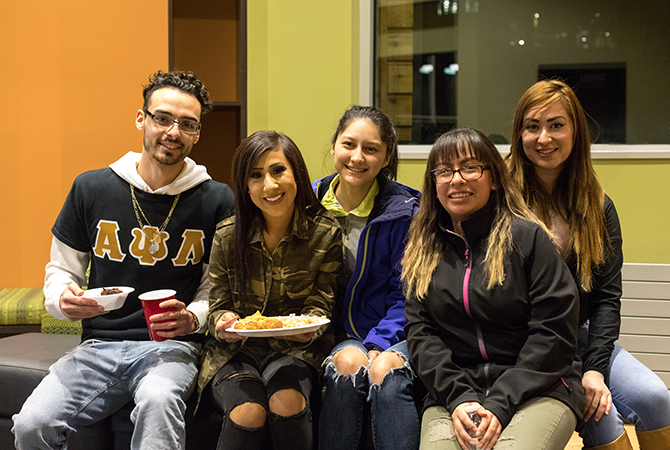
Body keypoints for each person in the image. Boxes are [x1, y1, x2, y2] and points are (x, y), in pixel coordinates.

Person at [11, 70, 234, 449]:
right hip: (98, 345)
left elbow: (217, 287)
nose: (172, 132)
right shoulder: (91, 187)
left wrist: (192, 317)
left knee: (159, 401)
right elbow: (62, 269)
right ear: (141, 119)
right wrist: (63, 300)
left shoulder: (217, 199)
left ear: (197, 133)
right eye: (162, 118)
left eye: (187, 124)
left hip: (172, 346)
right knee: (32, 424)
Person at [507, 79, 670, 450]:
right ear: (519, 134)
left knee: (655, 398)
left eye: (556, 125)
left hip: (582, 336)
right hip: (527, 345)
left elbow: (607, 299)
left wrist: (595, 367)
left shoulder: (598, 205)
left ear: (575, 132)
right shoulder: (503, 201)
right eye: (532, 126)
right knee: (602, 415)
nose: (544, 137)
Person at [402, 127, 585, 450]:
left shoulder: (528, 238)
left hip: (537, 389)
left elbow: (553, 333)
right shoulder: (422, 248)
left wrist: (500, 403)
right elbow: (421, 334)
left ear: (494, 178)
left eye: (470, 167)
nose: (456, 179)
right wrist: (458, 397)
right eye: (444, 171)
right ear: (434, 184)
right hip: (455, 394)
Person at [197, 130, 342, 450]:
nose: (270, 185)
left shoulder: (325, 232)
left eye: (278, 171)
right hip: (236, 351)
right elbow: (217, 304)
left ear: (297, 174)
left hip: (297, 350)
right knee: (248, 411)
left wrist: (310, 326)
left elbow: (322, 299)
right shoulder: (227, 234)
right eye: (256, 176)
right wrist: (222, 322)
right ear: (245, 185)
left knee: (287, 402)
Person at [314, 105, 421, 450]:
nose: (357, 157)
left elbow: (406, 295)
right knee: (346, 362)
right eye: (348, 145)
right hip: (331, 333)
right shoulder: (307, 201)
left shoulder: (404, 212)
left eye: (371, 149)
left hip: (389, 332)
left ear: (386, 157)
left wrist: (378, 342)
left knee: (369, 366)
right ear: (333, 147)